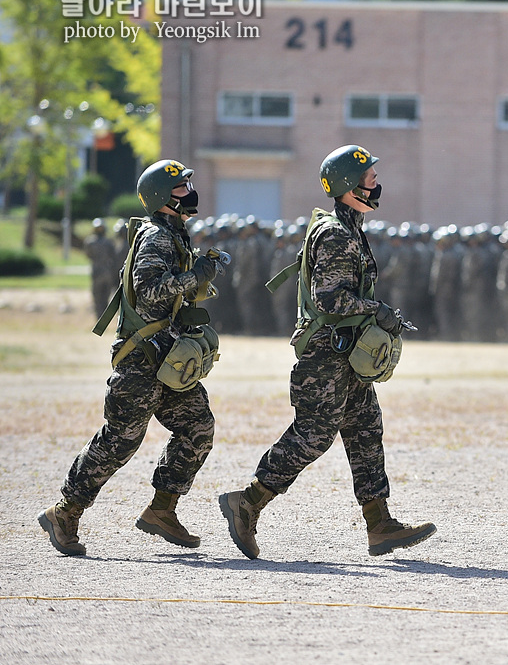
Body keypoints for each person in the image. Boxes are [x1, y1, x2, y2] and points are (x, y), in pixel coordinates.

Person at [219, 145, 435, 560]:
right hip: (325, 357)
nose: (376, 182)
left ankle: (379, 524)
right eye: (369, 176)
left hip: (346, 356)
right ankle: (246, 502)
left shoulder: (350, 226)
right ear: (348, 185)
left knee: (366, 429)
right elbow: (331, 300)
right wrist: (379, 311)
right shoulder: (336, 232)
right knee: (313, 436)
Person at [38, 160, 219, 556]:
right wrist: (195, 275)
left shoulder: (175, 235)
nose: (190, 191)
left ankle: (162, 509)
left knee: (199, 428)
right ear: (163, 197)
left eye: (189, 183)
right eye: (182, 186)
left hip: (167, 361)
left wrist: (198, 281)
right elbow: (151, 290)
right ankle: (64, 512)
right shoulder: (156, 238)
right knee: (120, 441)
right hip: (141, 361)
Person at [84, 218, 119, 315]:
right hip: (107, 271)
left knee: (97, 296)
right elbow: (114, 256)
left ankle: (99, 316)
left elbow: (88, 255)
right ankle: (103, 317)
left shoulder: (90, 241)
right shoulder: (108, 242)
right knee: (105, 295)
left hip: (96, 271)